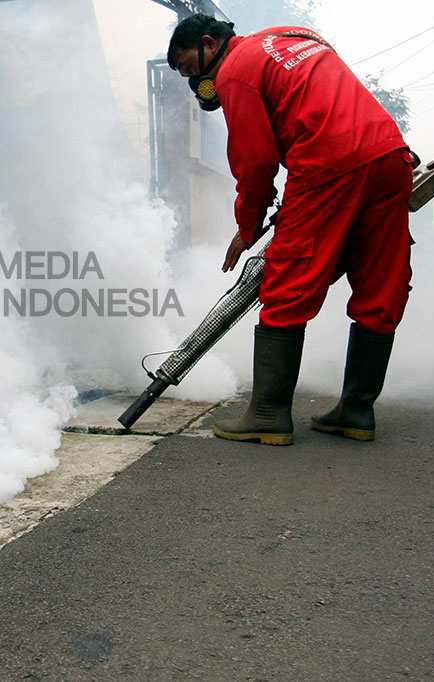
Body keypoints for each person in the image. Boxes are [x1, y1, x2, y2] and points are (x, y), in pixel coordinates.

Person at [166, 14, 414, 445]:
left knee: (286, 281)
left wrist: (248, 227)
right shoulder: (295, 37)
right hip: (390, 155)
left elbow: (255, 160)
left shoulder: (235, 72)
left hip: (327, 162)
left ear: (209, 43)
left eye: (189, 68)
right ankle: (356, 412)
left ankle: (268, 414)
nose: (195, 80)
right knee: (381, 282)